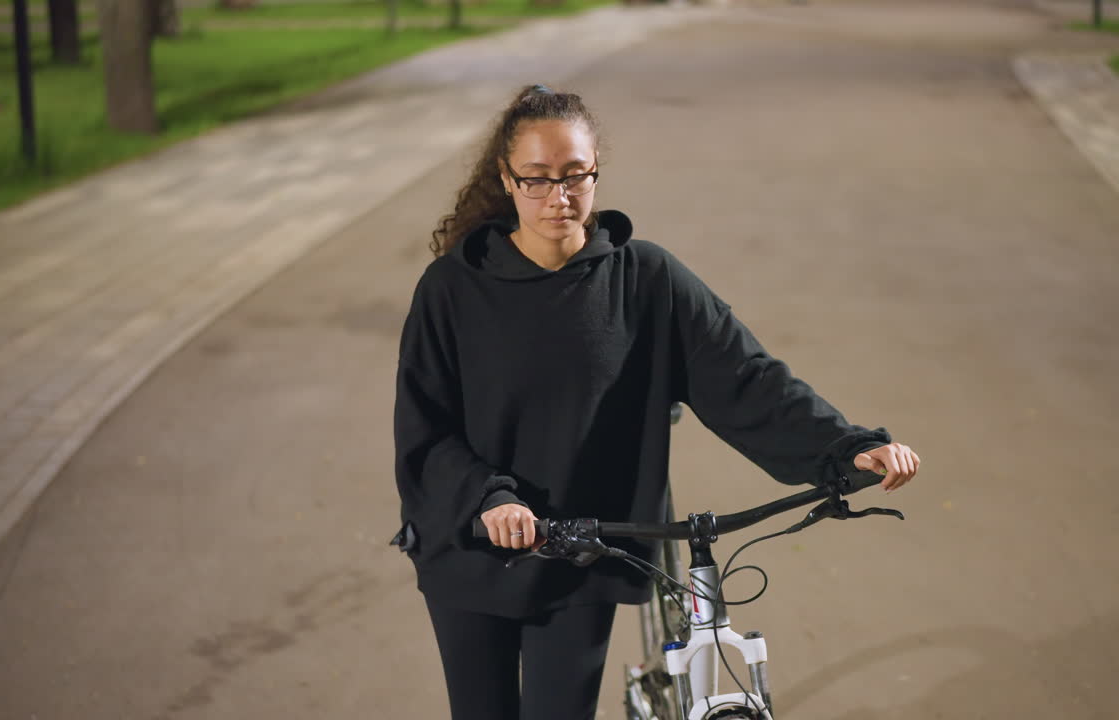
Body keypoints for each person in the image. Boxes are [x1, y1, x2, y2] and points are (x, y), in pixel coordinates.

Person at [392, 84, 920, 720]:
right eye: (536, 179)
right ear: (506, 179)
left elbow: (747, 380)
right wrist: (489, 497)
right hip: (473, 552)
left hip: (582, 551)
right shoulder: (453, 289)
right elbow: (426, 429)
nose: (559, 197)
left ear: (595, 172)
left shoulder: (647, 281)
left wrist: (846, 450)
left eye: (575, 176)